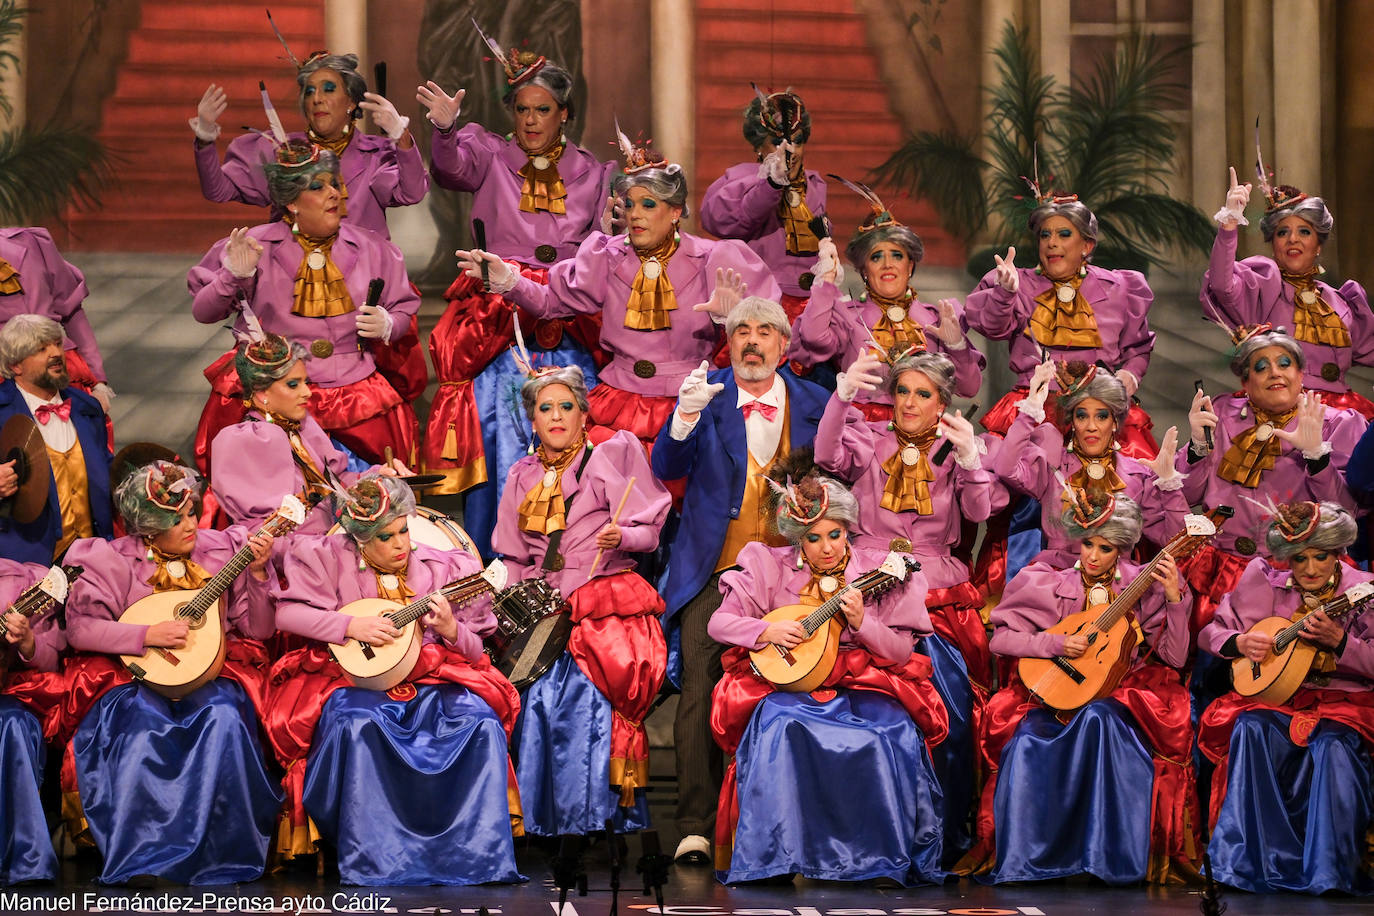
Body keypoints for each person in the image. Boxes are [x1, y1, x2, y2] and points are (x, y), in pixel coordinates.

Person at [268, 475, 522, 886]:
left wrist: (452, 630)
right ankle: (376, 856)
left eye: (404, 529)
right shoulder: (325, 556)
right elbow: (287, 615)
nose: (402, 543)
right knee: (358, 725)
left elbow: (478, 651)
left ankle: (470, 854)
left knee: (480, 721)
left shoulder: (446, 568)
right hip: (353, 679)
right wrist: (351, 625)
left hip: (434, 676)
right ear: (360, 541)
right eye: (387, 537)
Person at [457, 134, 780, 454]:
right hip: (620, 402)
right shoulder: (605, 256)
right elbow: (551, 302)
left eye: (648, 205)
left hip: (689, 400)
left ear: (675, 211)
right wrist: (509, 281)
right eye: (629, 205)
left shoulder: (716, 259)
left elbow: (768, 335)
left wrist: (732, 321)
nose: (634, 214)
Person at [650, 297, 828, 864]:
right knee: (699, 692)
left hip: (792, 576)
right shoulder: (705, 394)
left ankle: (790, 821)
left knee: (800, 684)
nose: (752, 342)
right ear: (727, 343)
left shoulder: (817, 403)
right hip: (713, 572)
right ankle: (694, 827)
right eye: (741, 332)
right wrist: (683, 418)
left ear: (784, 344)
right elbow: (665, 470)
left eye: (765, 332)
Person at [417, 31, 609, 554]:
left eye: (542, 110)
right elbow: (452, 167)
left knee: (573, 427)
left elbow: (603, 251)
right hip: (499, 318)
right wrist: (445, 129)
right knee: (500, 430)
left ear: (564, 113)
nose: (529, 121)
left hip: (566, 314)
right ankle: (494, 560)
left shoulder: (594, 173)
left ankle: (571, 555)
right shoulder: (487, 152)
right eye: (521, 109)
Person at [708, 469, 948, 885]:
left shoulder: (877, 572)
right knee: (782, 724)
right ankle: (775, 857)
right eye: (814, 538)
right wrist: (764, 630)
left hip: (864, 679)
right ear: (798, 538)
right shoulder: (768, 564)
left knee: (887, 731)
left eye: (834, 535)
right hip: (793, 681)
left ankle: (875, 860)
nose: (826, 549)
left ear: (848, 531)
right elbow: (719, 623)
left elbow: (901, 652)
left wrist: (862, 624)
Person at [58, 462, 282, 885]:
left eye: (191, 514)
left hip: (209, 673)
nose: (190, 525)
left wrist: (255, 572)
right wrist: (145, 634)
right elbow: (81, 628)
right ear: (146, 525)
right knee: (143, 727)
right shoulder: (108, 559)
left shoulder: (219, 552)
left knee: (224, 718)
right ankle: (146, 857)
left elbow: (258, 630)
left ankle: (223, 854)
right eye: (175, 519)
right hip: (135, 677)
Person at [815, 348, 998, 862]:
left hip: (937, 595)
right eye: (902, 391)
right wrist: (842, 395)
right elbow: (828, 457)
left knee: (952, 718)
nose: (910, 402)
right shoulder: (870, 439)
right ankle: (861, 834)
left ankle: (939, 835)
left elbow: (981, 512)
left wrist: (971, 462)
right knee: (866, 710)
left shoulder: (957, 446)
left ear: (942, 402)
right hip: (868, 587)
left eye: (923, 393)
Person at [969, 493, 1198, 884]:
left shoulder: (1146, 586)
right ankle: (1032, 857)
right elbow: (1001, 640)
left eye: (1105, 548)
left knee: (1100, 720)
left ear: (1122, 550)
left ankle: (1101, 858)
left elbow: (1175, 658)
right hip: (1051, 692)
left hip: (1120, 693)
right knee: (1025, 741)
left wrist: (1176, 599)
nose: (1092, 556)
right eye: (1088, 543)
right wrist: (1054, 644)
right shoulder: (1046, 580)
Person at [492, 365, 670, 835]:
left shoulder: (610, 457)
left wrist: (623, 533)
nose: (555, 416)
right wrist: (509, 614)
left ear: (584, 414)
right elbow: (511, 555)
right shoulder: (520, 474)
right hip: (543, 606)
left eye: (565, 406)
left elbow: (650, 533)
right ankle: (539, 820)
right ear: (531, 420)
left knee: (579, 699)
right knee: (529, 699)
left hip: (601, 603)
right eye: (544, 408)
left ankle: (593, 821)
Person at [188, 142, 420, 472]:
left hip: (354, 397)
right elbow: (203, 312)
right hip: (278, 395)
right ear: (292, 202)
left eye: (335, 184)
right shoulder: (255, 246)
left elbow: (401, 309)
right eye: (318, 186)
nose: (334, 194)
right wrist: (233, 276)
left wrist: (388, 324)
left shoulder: (373, 248)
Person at [1197, 501, 1374, 893]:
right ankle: (1245, 864)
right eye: (1299, 559)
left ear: (1339, 553)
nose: (1310, 569)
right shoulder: (1262, 579)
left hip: (1344, 704)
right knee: (1249, 727)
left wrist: (1342, 642)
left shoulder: (1362, 589)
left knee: (1332, 746)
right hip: (1279, 698)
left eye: (1321, 557)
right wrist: (1240, 641)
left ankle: (1328, 871)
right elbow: (1209, 634)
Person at [1178, 325, 1365, 634]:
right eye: (1261, 367)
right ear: (1245, 381)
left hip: (1300, 577)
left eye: (1285, 363)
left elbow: (1348, 514)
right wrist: (1197, 448)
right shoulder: (1222, 415)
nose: (1275, 373)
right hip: (1221, 572)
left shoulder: (1337, 423)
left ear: (1302, 372)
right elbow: (1186, 495)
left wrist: (1317, 458)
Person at [965, 188, 1157, 458]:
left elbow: (1137, 348)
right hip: (1034, 409)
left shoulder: (1119, 288)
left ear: (1087, 246)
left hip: (1100, 411)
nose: (1051, 243)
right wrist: (1004, 294)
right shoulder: (1019, 283)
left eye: (1063, 234)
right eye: (1046, 235)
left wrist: (1131, 374)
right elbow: (992, 328)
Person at [191, 49, 425, 240]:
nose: (317, 98)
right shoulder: (281, 150)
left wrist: (400, 135)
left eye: (329, 89)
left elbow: (412, 193)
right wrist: (205, 136)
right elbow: (217, 190)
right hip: (292, 278)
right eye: (309, 91)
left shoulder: (376, 154)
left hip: (361, 279)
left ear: (351, 102)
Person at [792, 181, 983, 407]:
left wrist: (957, 346)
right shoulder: (847, 316)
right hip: (862, 434)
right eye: (876, 257)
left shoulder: (936, 319)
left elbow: (969, 389)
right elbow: (814, 339)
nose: (887, 265)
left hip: (923, 437)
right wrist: (826, 282)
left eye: (897, 255)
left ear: (910, 265)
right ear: (864, 270)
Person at [1204, 165, 1374, 418]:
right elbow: (1222, 285)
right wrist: (1230, 222)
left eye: (1304, 231)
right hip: (1281, 411)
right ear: (1274, 244)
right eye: (1283, 232)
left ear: (1318, 245)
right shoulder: (1264, 285)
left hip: (1343, 414)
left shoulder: (1342, 301)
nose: (1293, 239)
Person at [995, 359, 1189, 569]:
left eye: (1102, 416)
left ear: (1115, 422)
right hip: (1055, 583)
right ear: (1073, 420)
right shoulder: (1053, 465)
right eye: (1082, 416)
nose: (1091, 426)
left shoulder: (1138, 476)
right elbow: (1006, 468)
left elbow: (1175, 542)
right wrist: (1030, 409)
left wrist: (1169, 483)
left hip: (1117, 590)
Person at [211, 332, 406, 534]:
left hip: (332, 537)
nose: (308, 392)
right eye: (293, 384)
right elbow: (268, 533)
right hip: (294, 555)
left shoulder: (300, 424)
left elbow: (336, 484)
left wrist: (377, 476)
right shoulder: (244, 440)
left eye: (306, 382)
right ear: (261, 392)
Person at [699, 88, 825, 324]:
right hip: (759, 306)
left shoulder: (815, 186)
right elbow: (722, 223)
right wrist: (771, 185)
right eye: (778, 142)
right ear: (759, 146)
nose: (791, 151)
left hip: (808, 309)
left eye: (797, 142)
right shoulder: (740, 182)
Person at [0, 315, 113, 564]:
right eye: (41, 349)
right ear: (16, 365)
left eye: (57, 344)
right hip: (26, 563)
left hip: (92, 557)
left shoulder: (86, 407)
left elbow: (107, 470)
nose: (55, 353)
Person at [0, 559, 69, 884]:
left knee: (16, 723)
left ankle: (23, 857)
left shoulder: (21, 580)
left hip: (7, 694)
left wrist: (28, 642)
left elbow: (53, 659)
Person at [0, 227, 114, 411]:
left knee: (83, 437)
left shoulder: (32, 242)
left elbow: (72, 311)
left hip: (62, 374)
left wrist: (97, 381)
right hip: (5, 379)